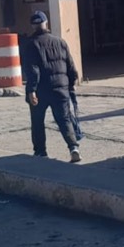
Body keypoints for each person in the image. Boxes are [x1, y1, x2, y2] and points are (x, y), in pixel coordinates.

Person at [24, 11, 82, 162]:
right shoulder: (60, 42)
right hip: (60, 87)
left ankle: (41, 152)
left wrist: (31, 90)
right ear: (46, 23)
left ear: (33, 26)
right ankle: (73, 147)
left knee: (37, 121)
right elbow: (70, 65)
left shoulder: (31, 44)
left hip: (42, 89)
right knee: (64, 119)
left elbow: (33, 70)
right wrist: (71, 83)